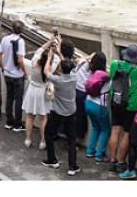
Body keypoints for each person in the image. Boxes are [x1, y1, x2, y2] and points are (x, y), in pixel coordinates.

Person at [107, 44, 137, 175]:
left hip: (116, 101)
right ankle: (121, 162)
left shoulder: (115, 64)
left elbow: (111, 76)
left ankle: (112, 160)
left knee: (115, 131)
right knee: (127, 133)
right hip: (131, 105)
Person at [41, 36, 84, 175]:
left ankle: (52, 160)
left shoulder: (57, 80)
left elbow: (46, 72)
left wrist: (50, 57)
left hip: (57, 113)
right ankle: (72, 166)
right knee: (72, 140)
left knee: (49, 134)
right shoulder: (74, 77)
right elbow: (68, 64)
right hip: (71, 112)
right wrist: (60, 54)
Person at [22, 35, 55, 149]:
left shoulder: (34, 61)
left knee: (30, 116)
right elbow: (58, 58)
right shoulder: (51, 67)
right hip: (43, 91)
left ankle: (28, 139)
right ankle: (42, 141)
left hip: (32, 89)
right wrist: (54, 49)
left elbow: (40, 49)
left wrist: (49, 41)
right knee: (43, 117)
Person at [82, 52, 112, 161]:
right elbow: (109, 89)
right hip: (99, 106)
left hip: (88, 102)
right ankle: (99, 155)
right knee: (106, 129)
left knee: (95, 127)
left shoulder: (91, 72)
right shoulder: (106, 77)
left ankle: (90, 151)